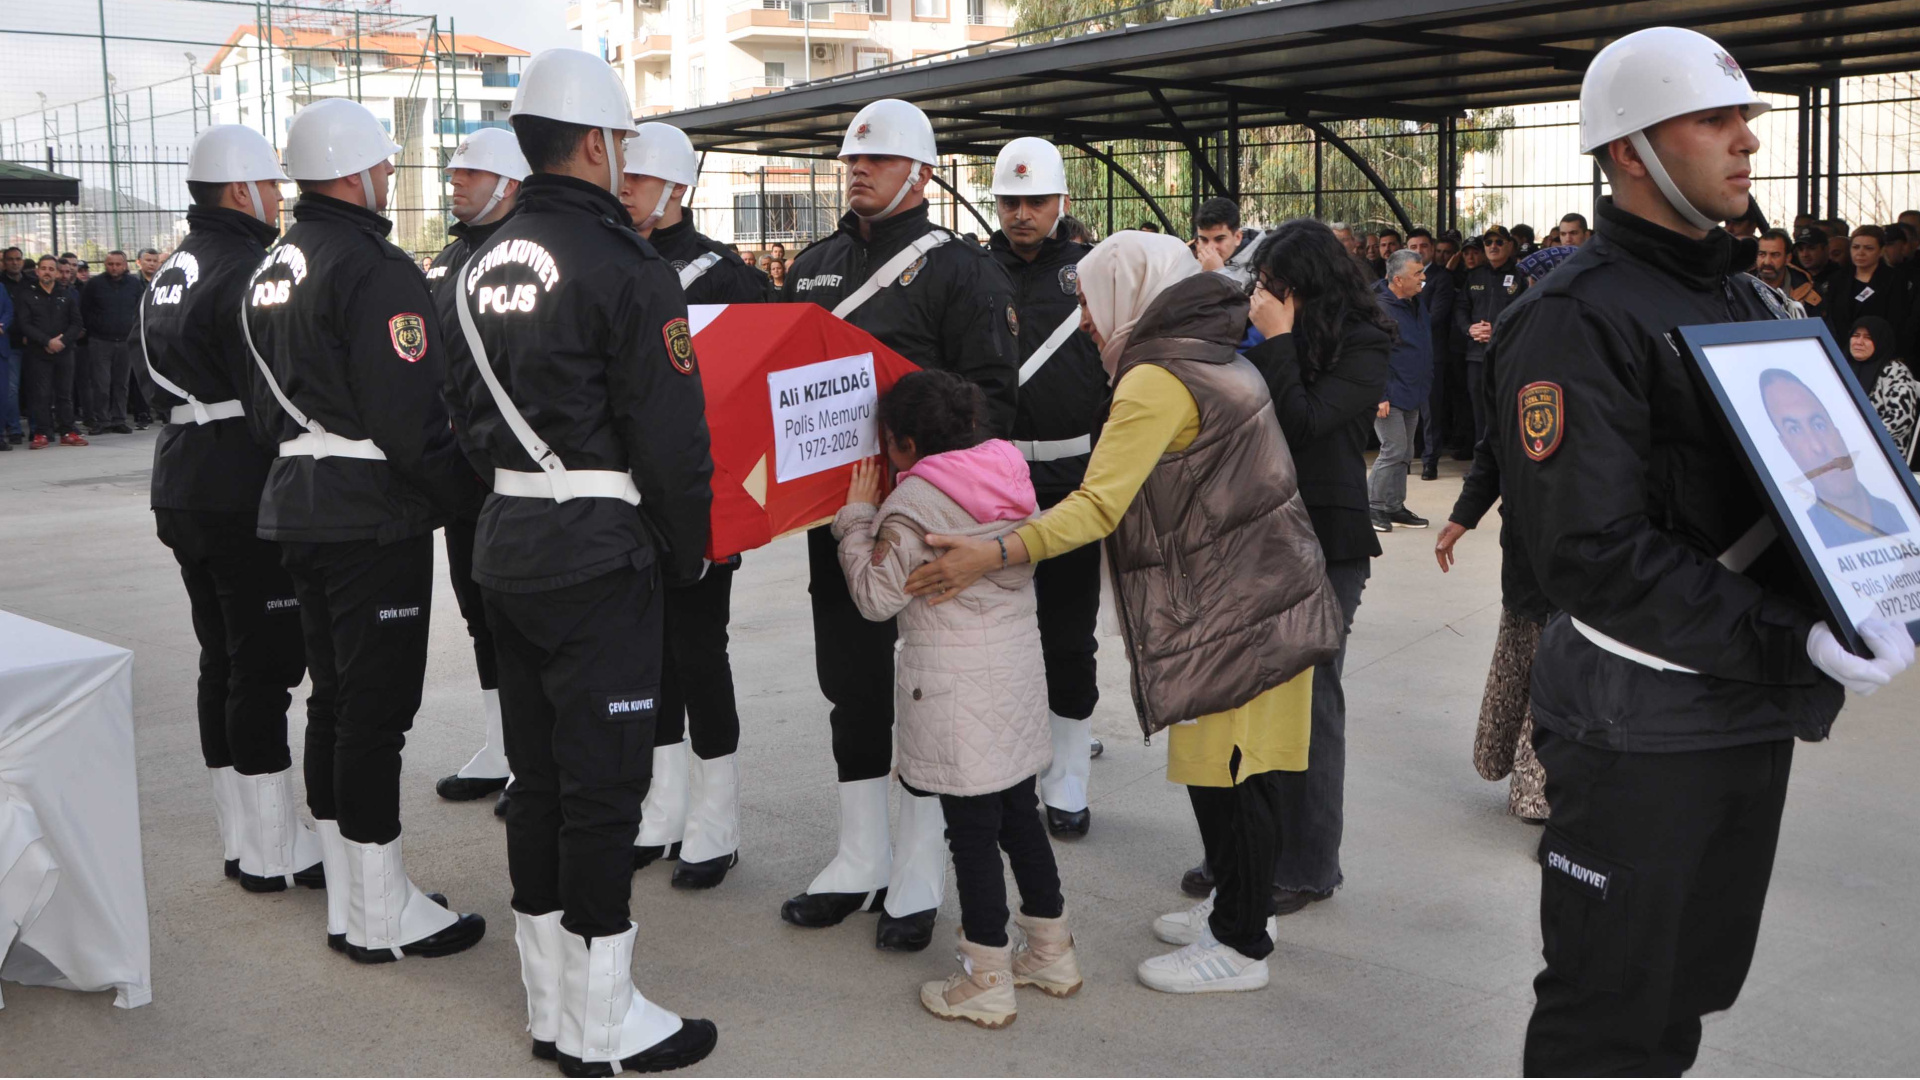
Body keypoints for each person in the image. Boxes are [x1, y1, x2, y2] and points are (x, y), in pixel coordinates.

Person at [1493, 27, 1914, 1074]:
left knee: (1686, 991)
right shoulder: (1571, 320)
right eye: (1715, 120)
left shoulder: (1742, 297)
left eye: (1747, 120)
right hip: (1637, 723)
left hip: (1736, 709)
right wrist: (1791, 637)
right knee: (1608, 1011)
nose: (1747, 144)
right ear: (1630, 149)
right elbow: (1587, 552)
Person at [907, 230, 1340, 994]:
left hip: (1230, 602)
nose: (1084, 323)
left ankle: (1240, 945)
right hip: (1260, 589)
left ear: (1128, 294)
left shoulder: (1156, 378)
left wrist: (994, 551)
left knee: (1235, 776)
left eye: (1088, 304)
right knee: (1239, 769)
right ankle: (1240, 912)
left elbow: (1098, 506)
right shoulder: (1210, 350)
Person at [444, 49, 720, 1074]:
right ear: (602, 144)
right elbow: (673, 441)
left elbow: (462, 425)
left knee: (541, 781)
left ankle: (553, 1008)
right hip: (599, 554)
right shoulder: (628, 268)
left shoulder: (472, 265)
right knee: (605, 790)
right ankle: (604, 1027)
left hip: (506, 544)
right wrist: (686, 552)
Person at [243, 96, 484, 963]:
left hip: (298, 501)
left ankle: (354, 898)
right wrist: (467, 496)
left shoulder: (275, 263)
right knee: (376, 712)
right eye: (382, 163)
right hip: (369, 512)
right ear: (353, 170)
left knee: (335, 703)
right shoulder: (372, 266)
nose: (390, 174)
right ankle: (383, 915)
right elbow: (409, 414)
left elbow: (261, 402)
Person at [776, 98, 1020, 953]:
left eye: (877, 159)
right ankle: (859, 853)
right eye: (852, 158)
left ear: (921, 171)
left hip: (924, 520)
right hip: (836, 512)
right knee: (849, 681)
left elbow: (995, 399)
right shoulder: (813, 263)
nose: (859, 169)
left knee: (923, 688)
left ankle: (918, 872)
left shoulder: (963, 271)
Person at [832, 370, 1079, 1028]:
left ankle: (986, 975)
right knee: (1019, 815)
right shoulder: (1006, 468)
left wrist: (855, 523)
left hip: (950, 683)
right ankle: (1051, 950)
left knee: (970, 833)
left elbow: (876, 597)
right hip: (1018, 670)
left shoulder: (910, 503)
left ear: (905, 443)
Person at [144, 124, 317, 890]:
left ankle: (243, 835)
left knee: (223, 658)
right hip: (238, 481)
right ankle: (275, 846)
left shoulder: (169, 269)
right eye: (273, 185)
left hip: (181, 477)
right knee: (266, 666)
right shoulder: (249, 267)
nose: (279, 198)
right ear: (243, 189)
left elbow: (133, 389)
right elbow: (274, 387)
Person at [617, 120, 756, 890]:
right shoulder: (619, 262)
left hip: (702, 499)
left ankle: (716, 821)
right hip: (631, 497)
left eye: (636, 180)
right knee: (653, 658)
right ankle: (663, 808)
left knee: (701, 654)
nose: (624, 190)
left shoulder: (725, 276)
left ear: (674, 188)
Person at [986, 136, 1107, 837]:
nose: (1021, 213)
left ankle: (1067, 779)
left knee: (1068, 635)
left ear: (1062, 201)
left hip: (1072, 483)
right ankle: (1004, 768)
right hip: (992, 483)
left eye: (1035, 201)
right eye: (1009, 201)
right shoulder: (972, 272)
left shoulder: (1095, 270)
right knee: (997, 639)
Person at [423, 126, 530, 817]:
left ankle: (532, 754)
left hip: (520, 469)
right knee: (478, 617)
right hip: (460, 470)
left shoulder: (525, 253)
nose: (455, 182)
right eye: (455, 172)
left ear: (510, 182)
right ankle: (501, 746)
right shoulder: (445, 258)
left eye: (470, 172)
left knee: (522, 622)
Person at [1759, 367, 1910, 545]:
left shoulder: (1904, 515)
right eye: (1795, 430)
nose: (1817, 446)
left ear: (1837, 431)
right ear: (1788, 448)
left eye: (1819, 425)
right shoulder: (1809, 537)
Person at [1368, 249, 1432, 531]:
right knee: (1393, 449)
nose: (1423, 278)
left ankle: (1394, 506)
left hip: (1413, 390)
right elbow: (1371, 354)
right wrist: (1379, 394)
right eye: (1417, 274)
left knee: (1405, 453)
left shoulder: (1414, 302)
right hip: (1389, 394)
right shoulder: (1380, 308)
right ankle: (1372, 507)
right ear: (1397, 279)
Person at [1454, 224, 1524, 449]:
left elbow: (1527, 313)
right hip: (1476, 356)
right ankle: (1481, 465)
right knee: (1479, 410)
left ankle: (1506, 465)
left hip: (1507, 355)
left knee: (1506, 408)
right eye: (1488, 242)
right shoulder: (1474, 275)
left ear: (1510, 245)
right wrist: (1470, 329)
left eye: (1499, 242)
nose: (1493, 246)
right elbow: (1461, 307)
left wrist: (1498, 331)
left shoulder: (1521, 276)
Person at [16, 254, 87, 450]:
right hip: (38, 353)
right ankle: (41, 433)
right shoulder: (27, 295)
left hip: (64, 352)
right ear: (38, 271)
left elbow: (76, 323)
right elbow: (24, 324)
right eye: (44, 268)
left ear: (56, 273)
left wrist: (62, 341)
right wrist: (46, 341)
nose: (47, 272)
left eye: (51, 269)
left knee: (65, 394)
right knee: (41, 394)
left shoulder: (66, 295)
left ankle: (67, 431)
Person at [1406, 227, 1456, 482]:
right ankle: (1404, 459)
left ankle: (1430, 461)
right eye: (1413, 247)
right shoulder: (1399, 278)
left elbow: (1436, 317)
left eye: (1423, 246)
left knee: (1430, 413)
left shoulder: (1441, 278)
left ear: (1431, 248)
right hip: (1403, 355)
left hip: (1430, 354)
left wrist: (1405, 326)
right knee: (1401, 409)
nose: (1418, 251)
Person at [80, 250, 144, 435]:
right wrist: (95, 329)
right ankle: (102, 420)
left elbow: (139, 308)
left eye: (118, 264)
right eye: (110, 264)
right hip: (100, 342)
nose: (114, 268)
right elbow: (85, 310)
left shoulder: (134, 284)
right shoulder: (94, 284)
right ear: (105, 265)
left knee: (121, 384)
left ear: (124, 265)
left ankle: (119, 419)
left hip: (125, 341)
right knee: (101, 383)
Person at [1846, 315, 1920, 467]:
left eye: (1868, 337)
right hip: (1838, 447)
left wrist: (1861, 438)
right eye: (1855, 335)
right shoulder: (1839, 365)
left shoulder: (1896, 372)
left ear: (1881, 341)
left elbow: (1901, 419)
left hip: (1880, 452)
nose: (1859, 342)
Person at [1824, 225, 1913, 346]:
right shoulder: (1837, 279)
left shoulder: (1895, 280)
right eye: (1856, 247)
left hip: (1880, 349)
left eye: (1868, 248)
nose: (1860, 253)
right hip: (1842, 348)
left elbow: (1897, 322)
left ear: (1881, 251)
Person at [1753, 228, 1810, 317]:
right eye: (1762, 254)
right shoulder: (1740, 288)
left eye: (1775, 255)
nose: (1767, 261)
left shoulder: (1809, 293)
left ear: (1788, 258)